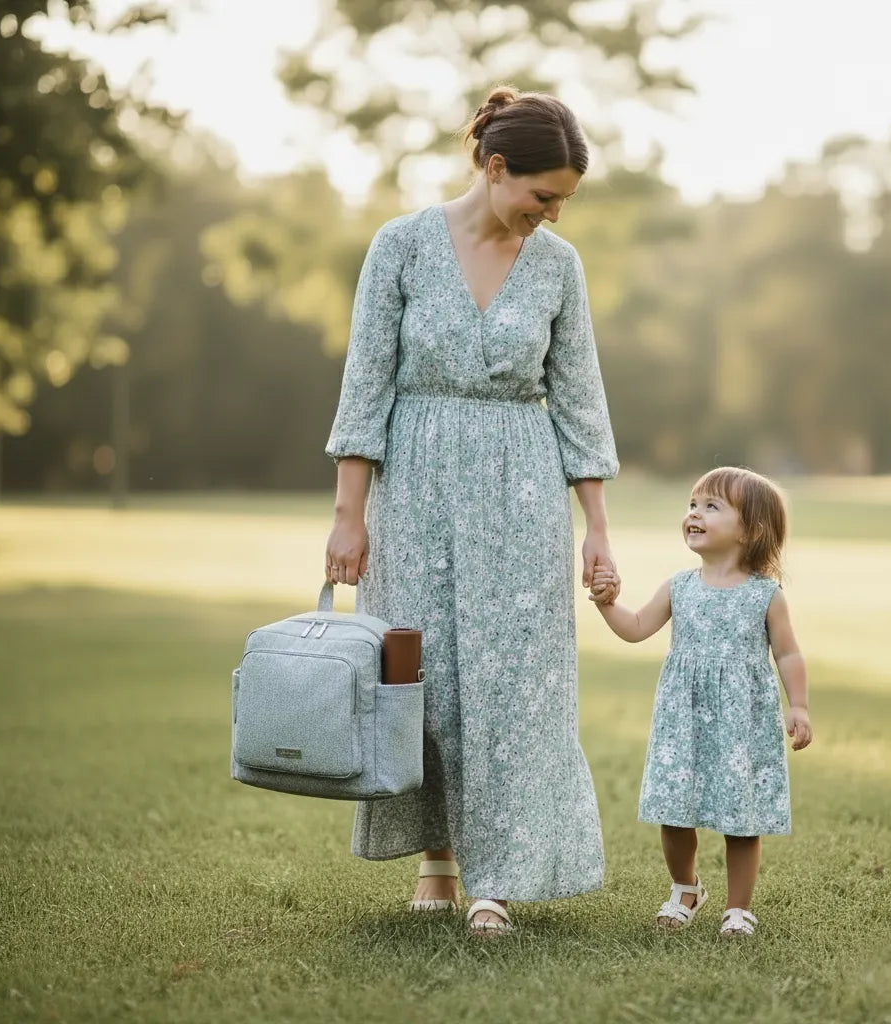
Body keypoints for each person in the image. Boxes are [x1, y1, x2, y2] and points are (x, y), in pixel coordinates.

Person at [323, 85, 619, 937]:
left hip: (521, 486)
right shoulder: (401, 246)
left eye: (563, 201)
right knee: (425, 670)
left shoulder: (558, 266)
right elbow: (366, 387)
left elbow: (580, 401)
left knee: (516, 678)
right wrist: (349, 515)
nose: (551, 214)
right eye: (543, 195)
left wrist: (597, 529)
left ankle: (500, 876)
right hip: (414, 483)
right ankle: (438, 860)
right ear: (494, 168)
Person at [589, 466, 812, 937]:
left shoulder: (765, 595)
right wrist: (607, 602)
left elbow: (788, 653)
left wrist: (799, 706)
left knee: (741, 817)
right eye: (693, 504)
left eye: (712, 507)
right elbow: (636, 628)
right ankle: (685, 887)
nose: (694, 513)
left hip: (741, 723)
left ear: (751, 530)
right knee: (673, 810)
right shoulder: (680, 586)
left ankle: (738, 908)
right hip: (683, 720)